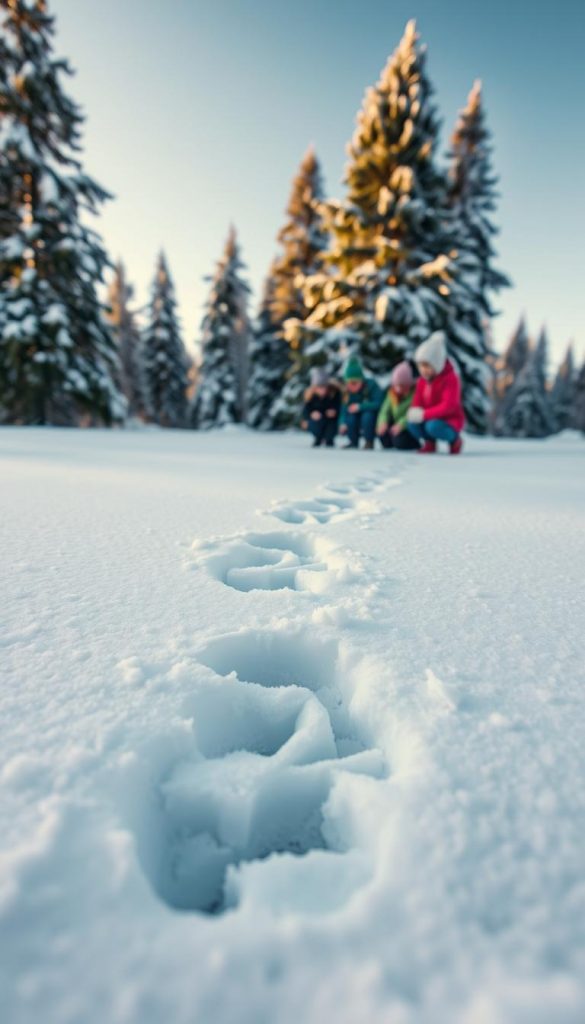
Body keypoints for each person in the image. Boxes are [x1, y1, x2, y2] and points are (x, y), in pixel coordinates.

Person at [406, 331, 465, 454]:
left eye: (427, 366)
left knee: (432, 426)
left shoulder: (450, 378)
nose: (423, 370)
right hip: (429, 418)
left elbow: (448, 406)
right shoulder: (422, 381)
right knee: (412, 423)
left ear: (437, 364)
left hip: (448, 420)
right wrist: (414, 411)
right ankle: (430, 443)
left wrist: (423, 415)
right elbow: (417, 400)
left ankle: (455, 441)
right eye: (421, 366)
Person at [339, 356, 383, 449]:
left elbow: (379, 403)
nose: (351, 386)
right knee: (350, 417)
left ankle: (369, 441)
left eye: (354, 383)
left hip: (371, 417)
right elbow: (343, 409)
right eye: (349, 383)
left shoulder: (372, 385)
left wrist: (360, 407)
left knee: (367, 416)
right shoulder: (347, 392)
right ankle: (353, 441)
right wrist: (342, 423)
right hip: (355, 417)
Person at [376, 361, 420, 451]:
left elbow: (413, 413)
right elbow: (384, 410)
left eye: (403, 386)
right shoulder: (391, 394)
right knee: (384, 437)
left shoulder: (415, 394)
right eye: (397, 385)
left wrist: (401, 424)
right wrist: (382, 422)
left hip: (407, 425)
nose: (399, 389)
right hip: (394, 424)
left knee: (400, 442)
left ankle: (414, 443)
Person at [301, 368, 342, 447]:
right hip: (317, 421)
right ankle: (318, 438)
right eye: (319, 387)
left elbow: (340, 407)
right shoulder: (310, 395)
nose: (322, 390)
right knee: (314, 423)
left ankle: (329, 438)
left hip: (331, 420)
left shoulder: (335, 393)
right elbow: (305, 410)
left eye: (324, 387)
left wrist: (335, 411)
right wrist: (311, 414)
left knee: (331, 426)